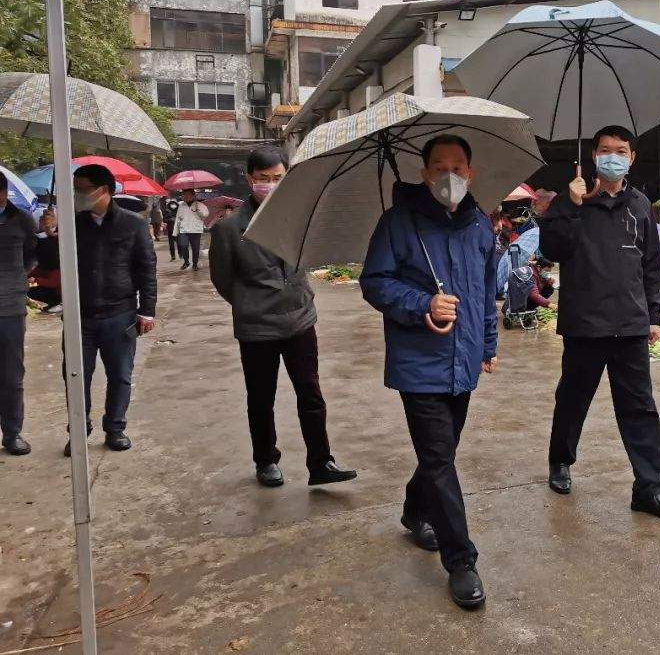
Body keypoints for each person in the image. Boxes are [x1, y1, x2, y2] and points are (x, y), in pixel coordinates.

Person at [360, 134, 497, 611]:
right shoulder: (398, 223)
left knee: (442, 452)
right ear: (423, 173)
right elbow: (374, 282)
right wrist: (423, 303)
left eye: (458, 166)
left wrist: (487, 344)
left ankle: (414, 510)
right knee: (440, 459)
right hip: (419, 363)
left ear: (471, 173)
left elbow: (484, 292)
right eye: (439, 167)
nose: (449, 176)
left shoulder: (481, 226)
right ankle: (461, 561)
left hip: (464, 362)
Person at [540, 125, 660, 524]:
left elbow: (650, 264)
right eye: (605, 150)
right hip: (584, 324)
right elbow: (550, 250)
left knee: (640, 408)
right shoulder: (571, 201)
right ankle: (560, 461)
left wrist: (653, 315)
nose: (612, 156)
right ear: (592, 156)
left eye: (620, 150)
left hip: (631, 324)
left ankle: (650, 488)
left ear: (632, 157)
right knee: (573, 400)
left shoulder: (641, 205)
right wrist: (570, 206)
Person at [210, 148, 356, 490]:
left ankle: (321, 462)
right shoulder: (230, 229)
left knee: (311, 393)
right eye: (264, 179)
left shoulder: (298, 217)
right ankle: (265, 461)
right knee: (261, 397)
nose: (271, 185)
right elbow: (222, 279)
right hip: (257, 327)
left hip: (301, 319)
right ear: (249, 179)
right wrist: (249, 303)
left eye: (278, 178)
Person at [66, 164, 157, 455]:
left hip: (120, 313)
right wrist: (48, 235)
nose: (77, 195)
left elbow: (147, 268)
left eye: (82, 189)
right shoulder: (71, 224)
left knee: (120, 375)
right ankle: (79, 430)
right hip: (80, 314)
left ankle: (115, 428)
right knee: (77, 375)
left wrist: (147, 310)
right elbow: (52, 265)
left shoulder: (133, 224)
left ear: (104, 190)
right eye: (75, 189)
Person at [0, 171, 38, 455]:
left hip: (10, 308)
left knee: (12, 375)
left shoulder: (23, 221)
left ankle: (12, 433)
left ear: (3, 194)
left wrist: (17, 279)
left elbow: (33, 255)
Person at [28, 208, 62, 312]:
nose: (41, 222)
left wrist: (36, 280)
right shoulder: (38, 239)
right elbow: (41, 266)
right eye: (41, 219)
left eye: (44, 219)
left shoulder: (58, 240)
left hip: (56, 292)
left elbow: (55, 280)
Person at [173, 188, 208, 270]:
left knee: (195, 248)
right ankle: (186, 261)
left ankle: (195, 264)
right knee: (183, 245)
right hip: (184, 230)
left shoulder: (200, 205)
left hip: (195, 230)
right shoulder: (181, 205)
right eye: (184, 195)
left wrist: (198, 209)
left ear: (193, 195)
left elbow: (205, 215)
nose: (186, 197)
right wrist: (175, 232)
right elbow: (178, 219)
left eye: (188, 195)